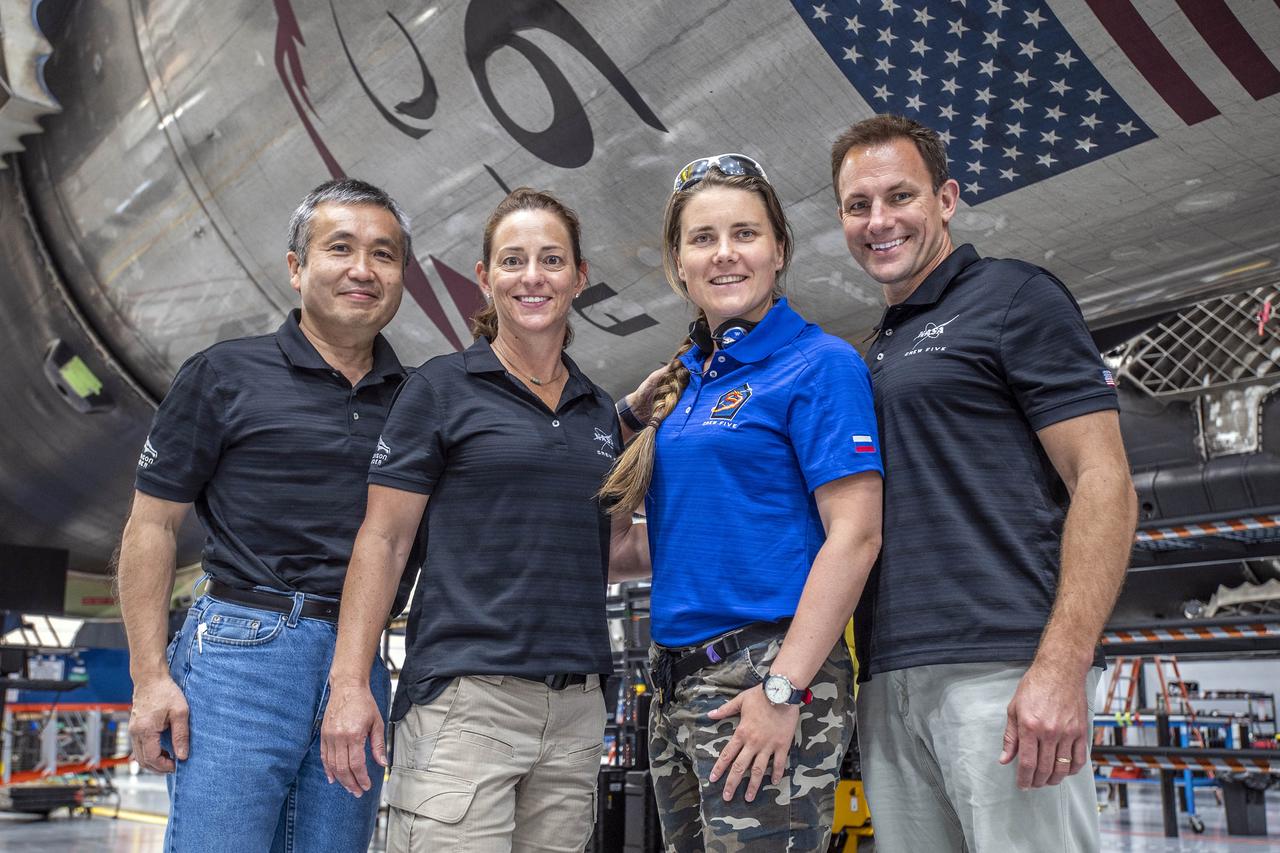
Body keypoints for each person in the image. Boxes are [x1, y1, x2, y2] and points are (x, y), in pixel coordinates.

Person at [829, 114, 1138, 852]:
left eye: (899, 196)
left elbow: (1104, 480)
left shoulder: (1013, 296)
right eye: (857, 205)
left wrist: (1061, 666)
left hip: (1002, 670)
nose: (878, 221)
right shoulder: (876, 350)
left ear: (946, 199)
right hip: (890, 677)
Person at [320, 188, 633, 853]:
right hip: (466, 703)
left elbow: (604, 551)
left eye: (552, 260)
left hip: (576, 710)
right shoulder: (440, 388)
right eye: (513, 260)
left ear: (579, 277)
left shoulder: (597, 411)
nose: (532, 276)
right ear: (486, 279)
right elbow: (384, 539)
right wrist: (348, 683)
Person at [117, 178, 416, 851]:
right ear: (296, 268)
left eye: (384, 254)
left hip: (359, 661)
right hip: (238, 655)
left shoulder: (417, 399)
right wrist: (149, 677)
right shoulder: (223, 374)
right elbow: (151, 527)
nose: (363, 269)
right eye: (340, 248)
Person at [601, 154, 884, 852]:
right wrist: (621, 427)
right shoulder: (683, 384)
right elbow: (640, 549)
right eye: (703, 238)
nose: (724, 253)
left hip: (765, 675)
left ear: (779, 249)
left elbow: (855, 536)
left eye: (745, 234)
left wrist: (784, 689)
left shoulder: (819, 364)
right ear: (679, 263)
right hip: (675, 683)